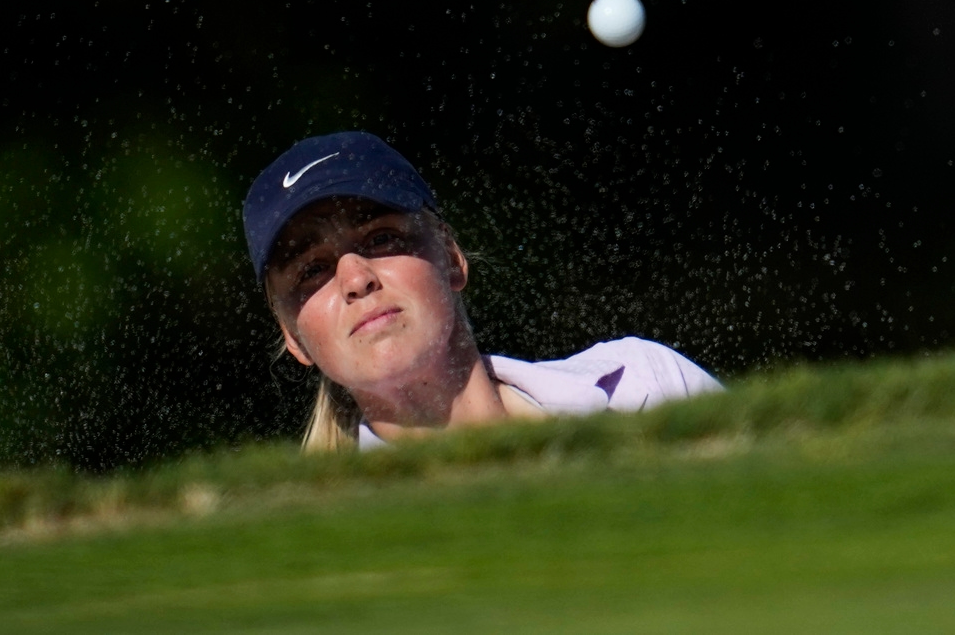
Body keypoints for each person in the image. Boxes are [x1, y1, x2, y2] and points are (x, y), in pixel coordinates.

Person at [243, 131, 722, 452]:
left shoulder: (645, 386)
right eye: (311, 270)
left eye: (381, 238)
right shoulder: (324, 527)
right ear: (291, 335)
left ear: (451, 257)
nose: (355, 279)